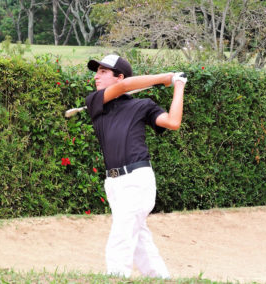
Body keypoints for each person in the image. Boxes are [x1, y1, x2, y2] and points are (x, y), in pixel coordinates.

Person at [85, 54, 187, 279]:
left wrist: (178, 85)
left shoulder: (143, 105)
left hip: (137, 178)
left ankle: (115, 276)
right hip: (113, 183)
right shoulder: (95, 101)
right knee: (139, 237)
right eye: (97, 71)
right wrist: (166, 77)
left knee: (122, 231)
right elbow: (128, 85)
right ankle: (160, 277)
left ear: (118, 76)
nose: (96, 76)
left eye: (103, 72)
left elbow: (173, 122)